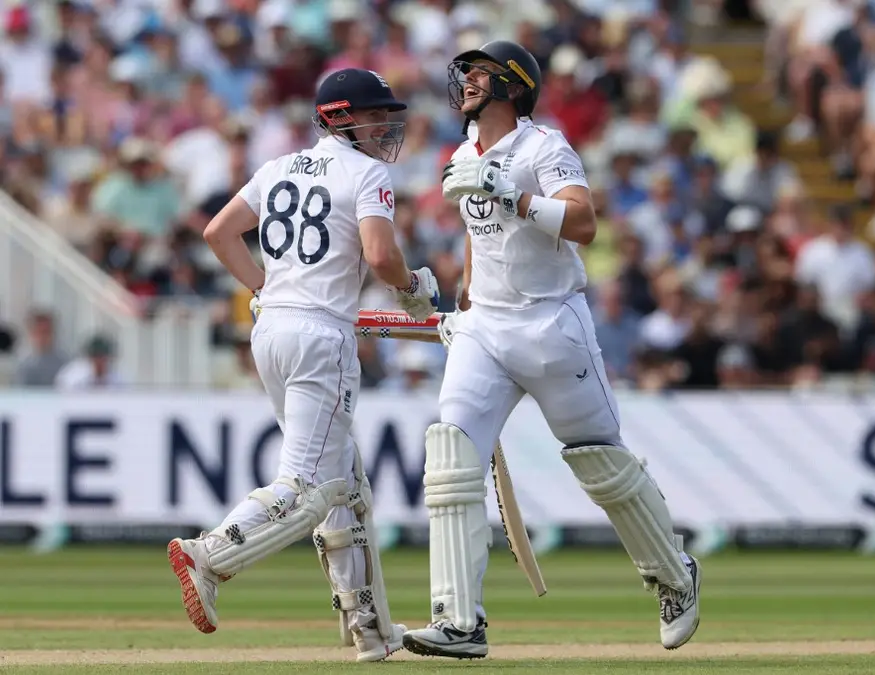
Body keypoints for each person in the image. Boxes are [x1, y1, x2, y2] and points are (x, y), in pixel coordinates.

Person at [401, 41, 702, 660]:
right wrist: (463, 304)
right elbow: (475, 236)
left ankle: (674, 574)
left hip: (550, 321)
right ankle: (460, 622)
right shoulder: (462, 153)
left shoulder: (545, 147)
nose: (469, 82)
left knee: (599, 461)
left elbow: (584, 223)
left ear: (512, 86)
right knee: (452, 456)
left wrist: (512, 194)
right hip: (486, 325)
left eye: (482, 73)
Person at [166, 68, 439, 663]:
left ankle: (370, 629)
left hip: (271, 333)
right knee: (310, 488)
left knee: (345, 484)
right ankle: (209, 554)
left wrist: (263, 287)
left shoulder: (277, 168)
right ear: (340, 117)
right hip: (322, 338)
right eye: (374, 115)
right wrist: (414, 288)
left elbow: (218, 232)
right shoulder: (368, 173)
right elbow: (380, 254)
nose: (385, 125)